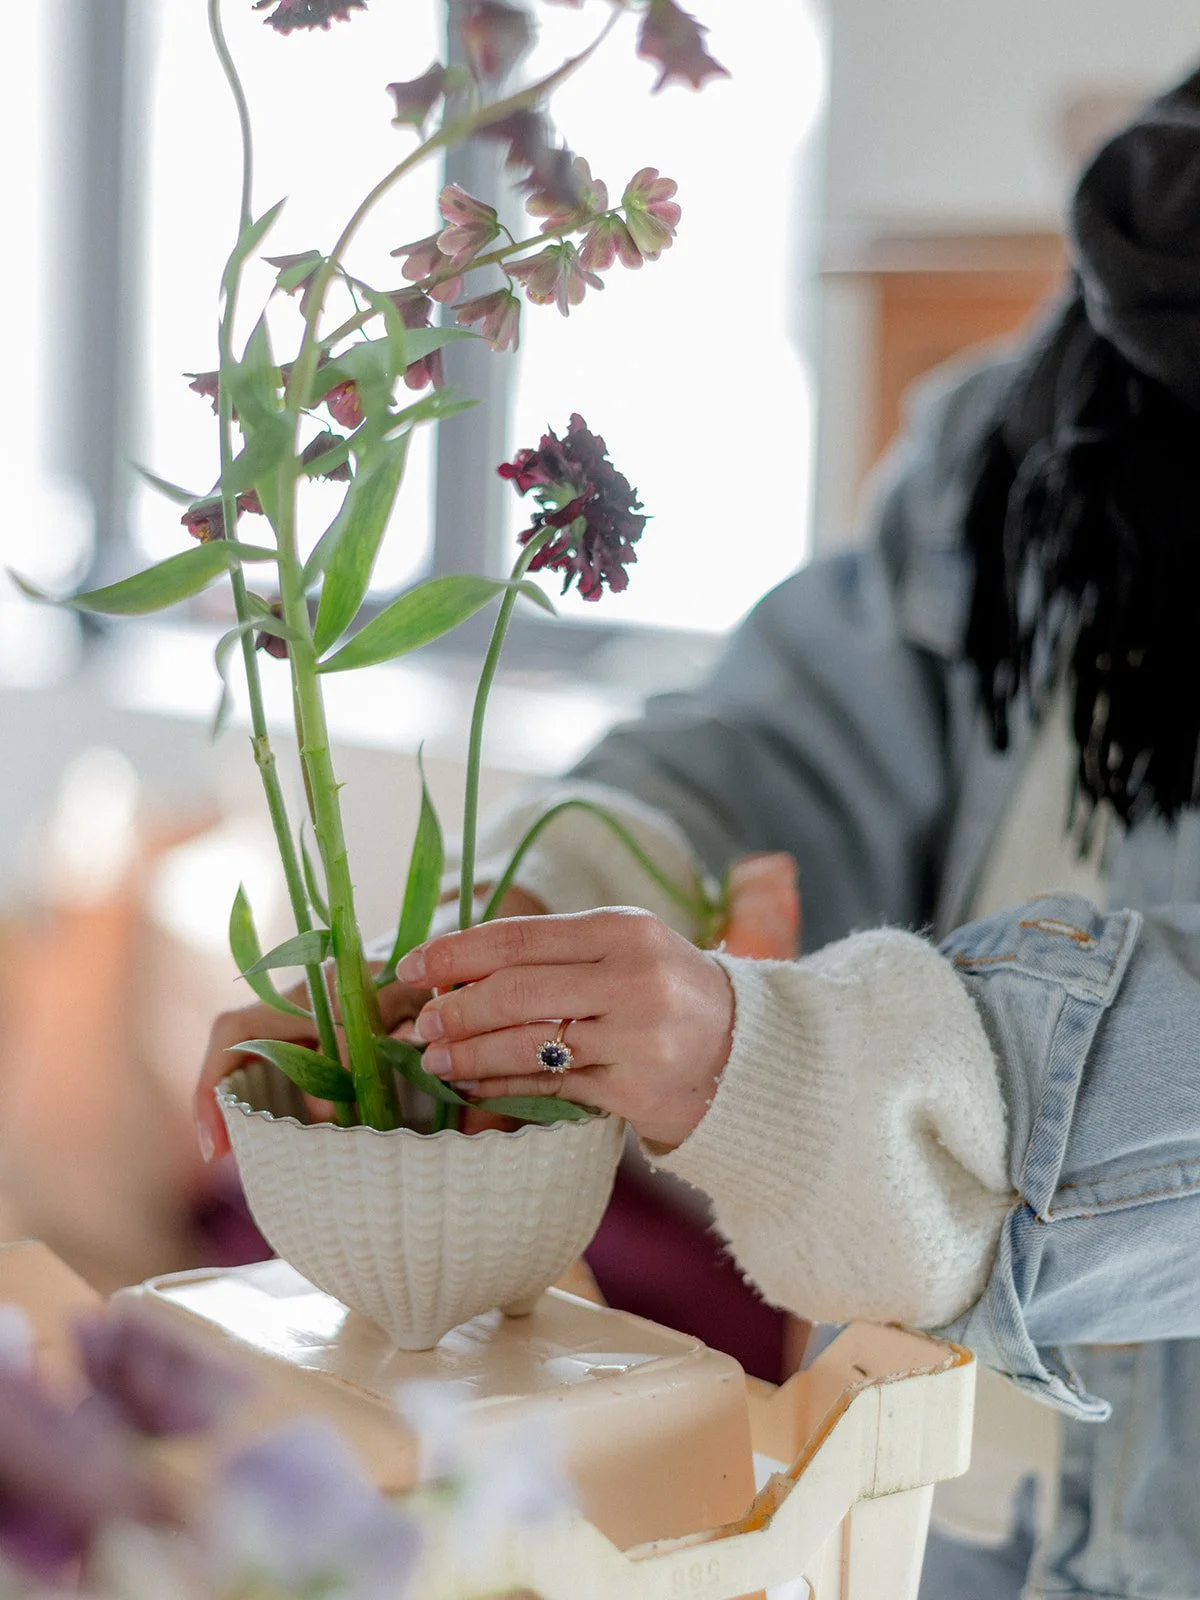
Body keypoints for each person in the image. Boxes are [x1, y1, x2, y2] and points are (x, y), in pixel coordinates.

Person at [197, 70, 1200, 1597]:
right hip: (933, 1500)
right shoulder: (1049, 413)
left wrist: (794, 1071)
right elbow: (786, 746)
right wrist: (503, 958)